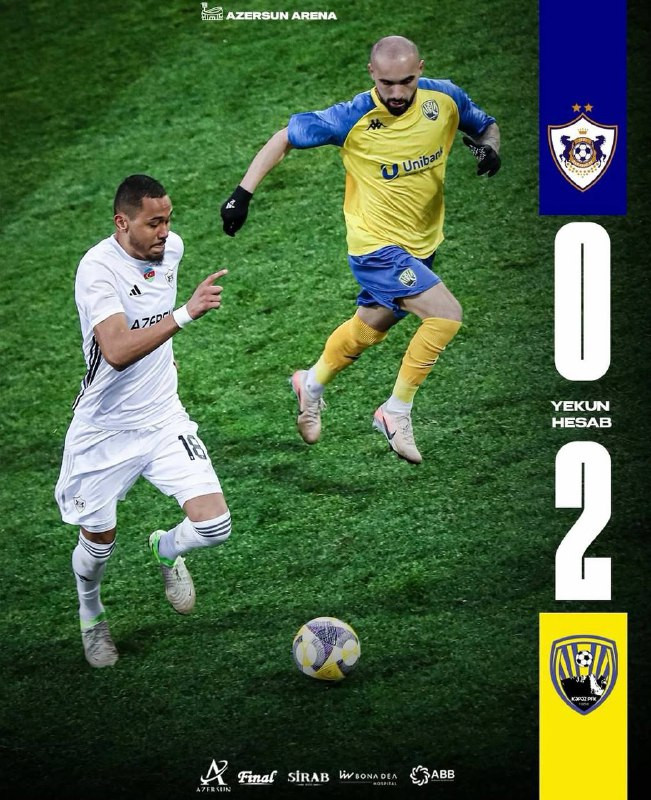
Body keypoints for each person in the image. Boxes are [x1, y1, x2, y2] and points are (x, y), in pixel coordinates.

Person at [220, 36, 500, 464]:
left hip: (421, 245)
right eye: (387, 83)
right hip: (376, 248)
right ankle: (395, 412)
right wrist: (242, 194)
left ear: (420, 70)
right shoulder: (351, 117)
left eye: (406, 82)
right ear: (372, 74)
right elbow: (284, 138)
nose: (397, 93)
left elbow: (485, 126)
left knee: (369, 327)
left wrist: (489, 151)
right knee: (446, 314)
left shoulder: (445, 99)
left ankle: (310, 384)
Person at [55, 174, 231, 668]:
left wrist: (167, 352)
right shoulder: (97, 270)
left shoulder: (171, 250)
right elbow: (114, 351)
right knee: (99, 545)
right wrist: (186, 314)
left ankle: (166, 549)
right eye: (153, 223)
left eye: (168, 220)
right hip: (104, 430)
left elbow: (151, 317)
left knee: (215, 525)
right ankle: (91, 614)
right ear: (122, 222)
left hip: (162, 417)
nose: (165, 232)